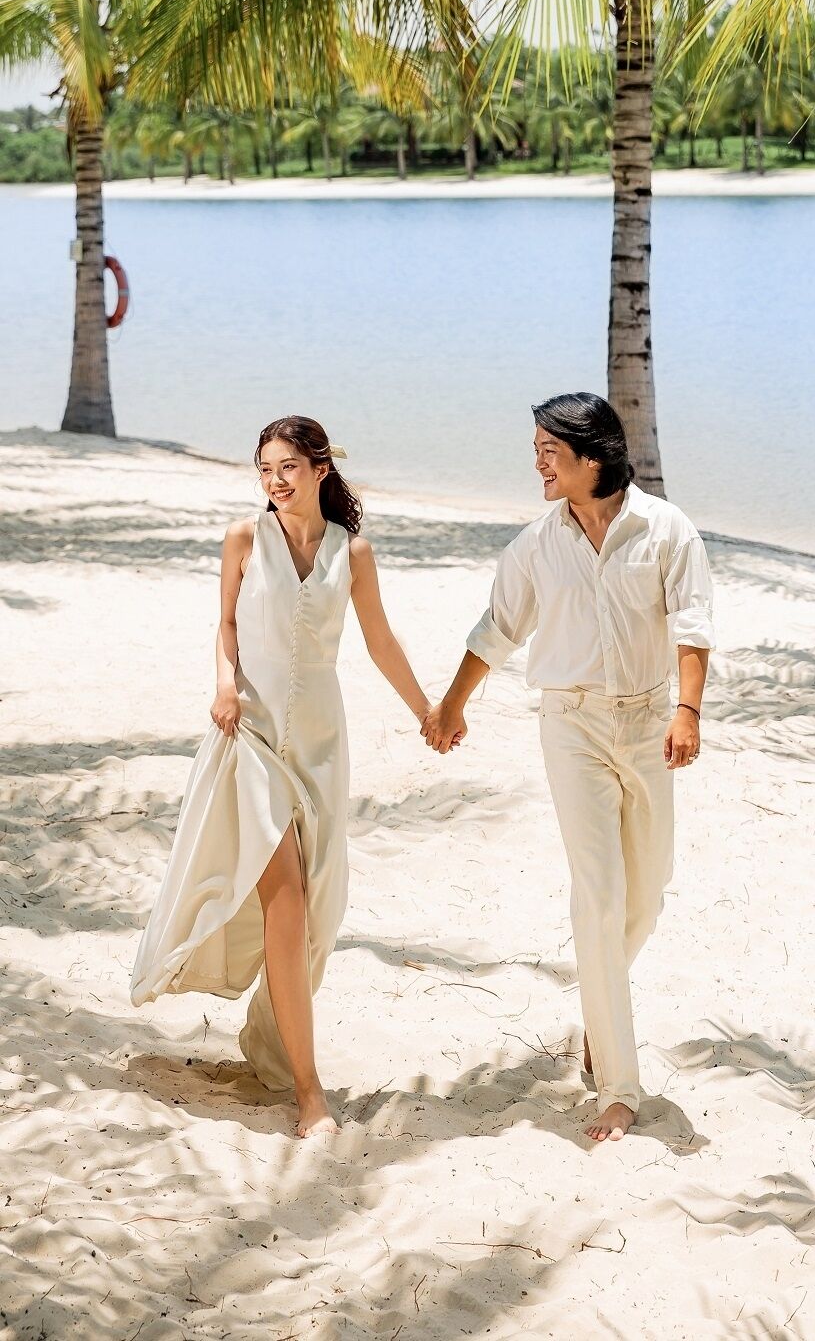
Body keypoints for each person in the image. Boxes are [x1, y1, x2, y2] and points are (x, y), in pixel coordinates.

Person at [422, 392, 715, 1142]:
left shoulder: (667, 529)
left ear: (595, 457)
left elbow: (692, 622)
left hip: (649, 720)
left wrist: (688, 710)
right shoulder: (535, 544)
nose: (538, 464)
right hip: (572, 724)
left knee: (647, 894)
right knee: (599, 893)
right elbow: (497, 628)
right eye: (537, 450)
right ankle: (617, 1085)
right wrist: (454, 704)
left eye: (550, 451)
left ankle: (598, 1008)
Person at [131, 416, 430, 1137]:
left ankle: (270, 1044)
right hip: (253, 735)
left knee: (317, 914)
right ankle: (309, 1093)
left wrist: (428, 709)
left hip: (322, 744)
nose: (275, 481)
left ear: (321, 468)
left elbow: (381, 640)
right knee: (288, 901)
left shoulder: (351, 552)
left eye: (289, 467)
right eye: (265, 468)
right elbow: (226, 625)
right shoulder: (244, 538)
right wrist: (224, 684)